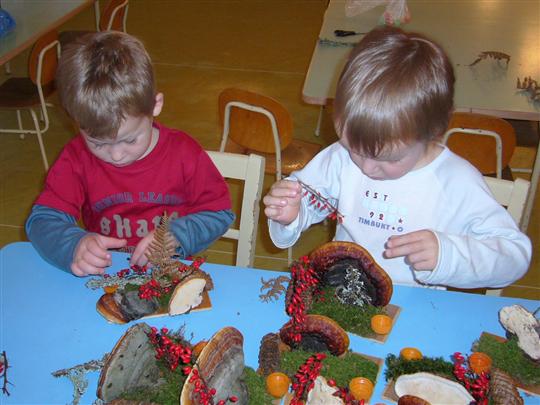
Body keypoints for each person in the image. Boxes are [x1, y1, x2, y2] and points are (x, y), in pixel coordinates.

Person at [263, 26, 531, 289]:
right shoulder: (340, 157)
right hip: (343, 291)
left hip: (415, 304)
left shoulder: (455, 181)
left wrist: (448, 255)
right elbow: (310, 200)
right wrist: (291, 214)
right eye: (355, 149)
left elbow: (514, 257)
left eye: (390, 159)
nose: (367, 168)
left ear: (432, 132)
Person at [26, 31, 234, 277]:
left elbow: (219, 214)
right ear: (75, 122)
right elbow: (42, 221)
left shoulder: (184, 154)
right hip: (108, 273)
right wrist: (73, 245)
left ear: (155, 105)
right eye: (98, 143)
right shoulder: (76, 158)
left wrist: (177, 236)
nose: (116, 156)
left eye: (130, 140)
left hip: (168, 272)